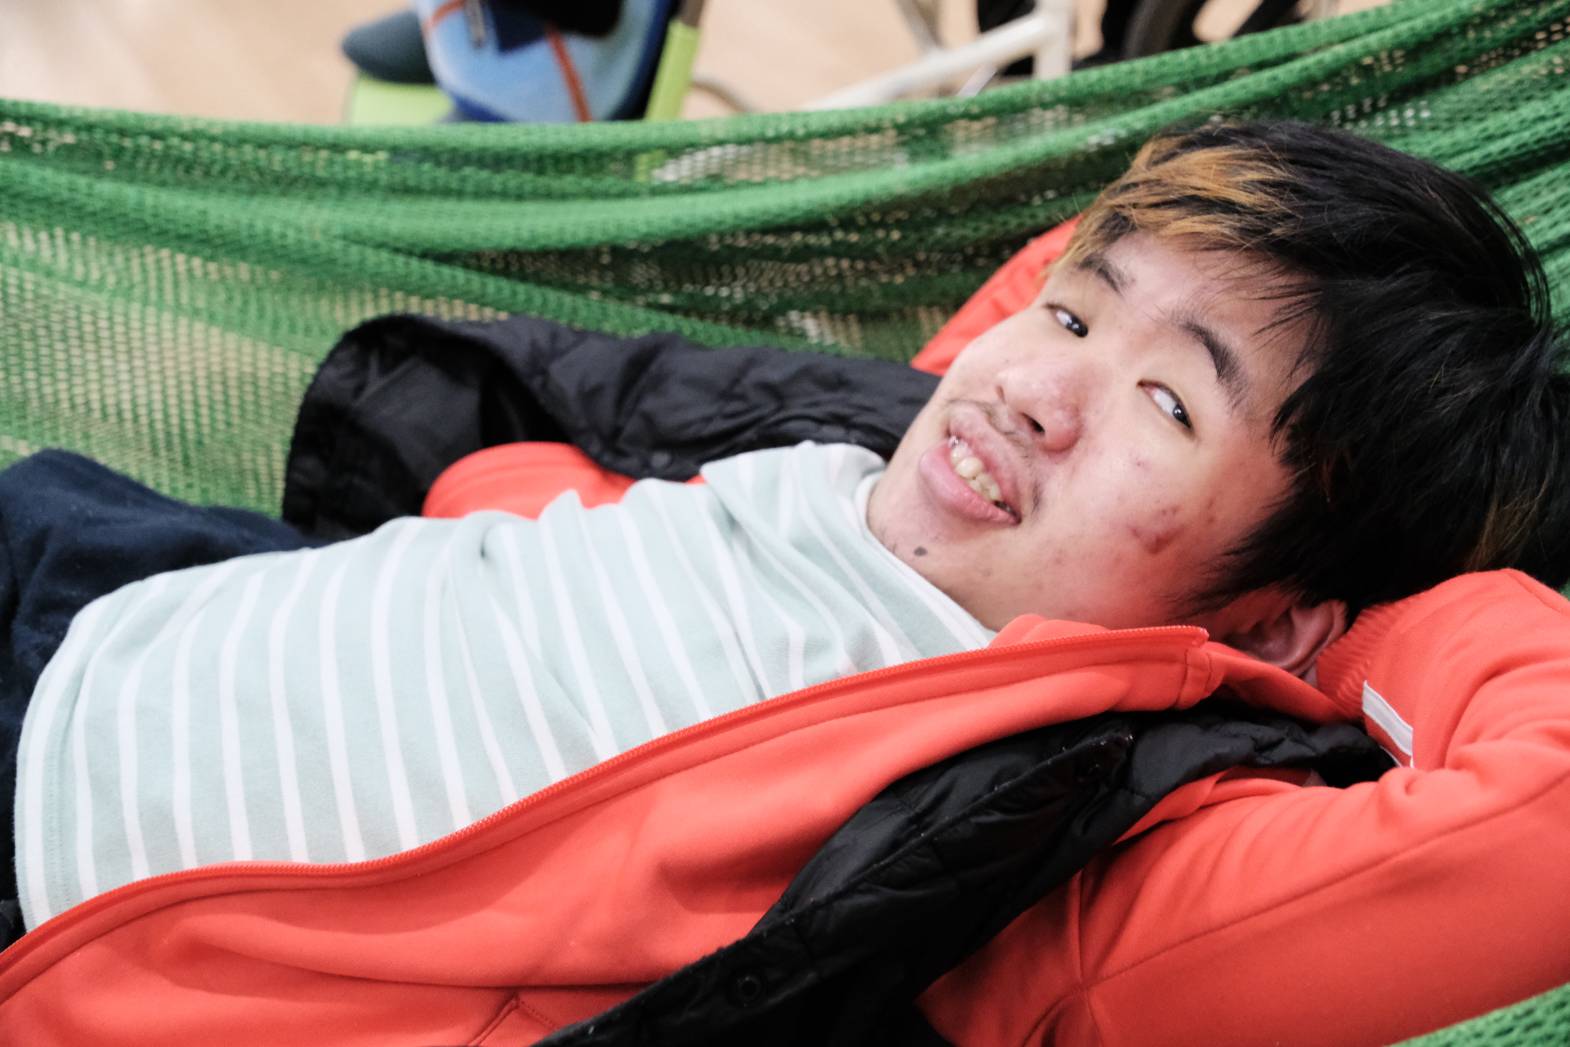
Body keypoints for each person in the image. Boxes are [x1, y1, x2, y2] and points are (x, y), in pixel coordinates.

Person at [2, 120, 1567, 949]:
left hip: (61, 843)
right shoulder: (917, 455)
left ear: (1277, 610)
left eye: (1166, 406)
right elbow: (1089, 265)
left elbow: (1537, 812)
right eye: (1072, 318)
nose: (1038, 391)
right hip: (156, 577)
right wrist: (516, 501)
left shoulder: (1034, 808)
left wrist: (1347, 622)